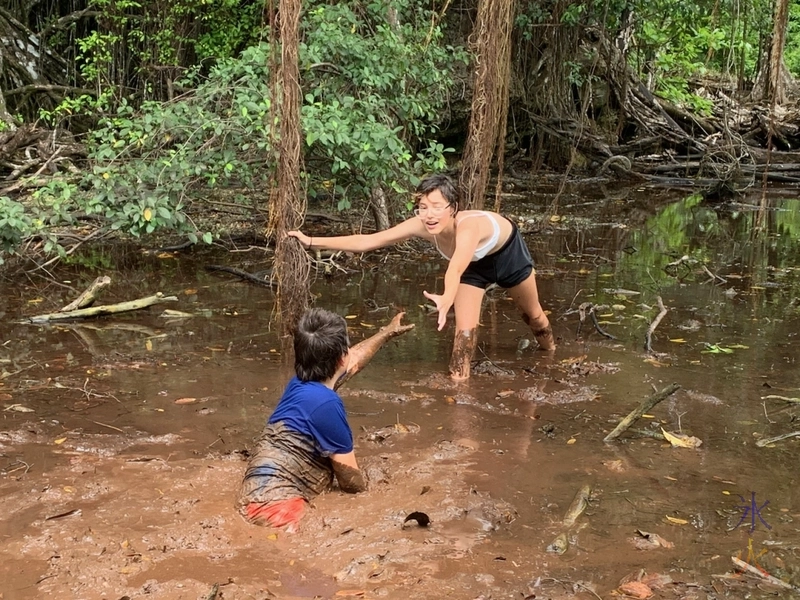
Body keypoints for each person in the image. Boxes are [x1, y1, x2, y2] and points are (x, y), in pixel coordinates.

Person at [287, 174, 555, 380]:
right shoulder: (422, 225)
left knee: (534, 316)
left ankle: (551, 355)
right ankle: (459, 388)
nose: (429, 215)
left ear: (453, 207)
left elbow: (455, 269)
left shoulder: (469, 226)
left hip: (508, 256)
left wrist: (447, 297)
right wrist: (311, 241)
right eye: (423, 207)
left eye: (437, 206)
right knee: (463, 334)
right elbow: (369, 241)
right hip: (473, 270)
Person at [237, 308, 413, 529]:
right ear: (341, 358)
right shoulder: (328, 405)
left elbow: (355, 359)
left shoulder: (299, 386)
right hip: (281, 507)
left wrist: (386, 333)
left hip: (253, 494)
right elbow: (351, 482)